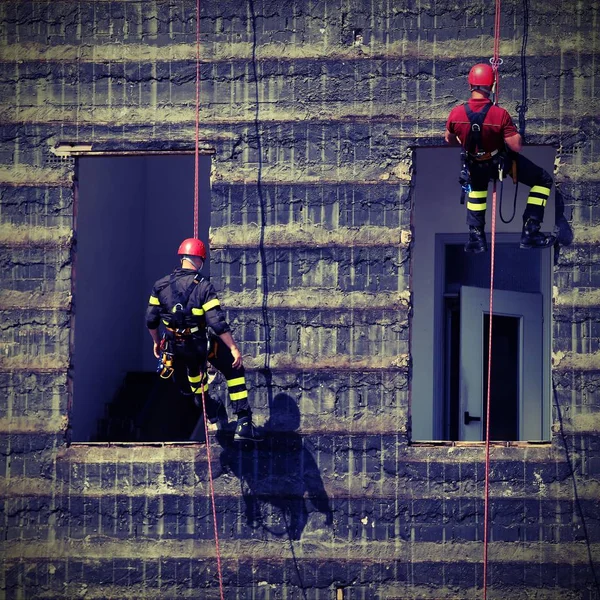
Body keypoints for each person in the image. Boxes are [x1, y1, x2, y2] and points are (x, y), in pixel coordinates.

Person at [146, 238, 261, 442]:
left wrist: (157, 342)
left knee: (193, 378)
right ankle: (243, 422)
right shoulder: (204, 287)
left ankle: (209, 409)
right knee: (233, 369)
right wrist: (233, 348)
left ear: (182, 258)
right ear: (200, 260)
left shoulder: (160, 285)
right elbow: (216, 322)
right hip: (199, 345)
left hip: (174, 349)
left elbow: (151, 319)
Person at [445, 63, 555, 253]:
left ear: (470, 84)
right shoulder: (500, 115)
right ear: (492, 86)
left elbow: (449, 139)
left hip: (474, 164)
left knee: (477, 189)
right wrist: (515, 133)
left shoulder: (456, 113)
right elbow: (516, 146)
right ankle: (530, 230)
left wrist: (468, 141)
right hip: (498, 163)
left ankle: (476, 237)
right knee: (543, 180)